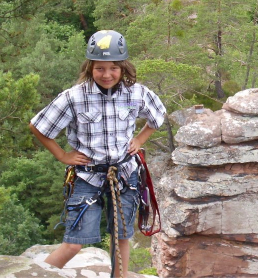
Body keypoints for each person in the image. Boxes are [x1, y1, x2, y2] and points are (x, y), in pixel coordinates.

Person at [29, 30, 166, 278]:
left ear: (123, 67)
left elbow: (158, 115)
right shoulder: (75, 97)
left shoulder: (135, 94)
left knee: (121, 236)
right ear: (90, 67)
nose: (107, 74)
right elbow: (39, 126)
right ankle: (38, 275)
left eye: (114, 68)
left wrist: (139, 139)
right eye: (100, 68)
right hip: (87, 176)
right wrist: (62, 155)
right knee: (74, 243)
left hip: (124, 174)